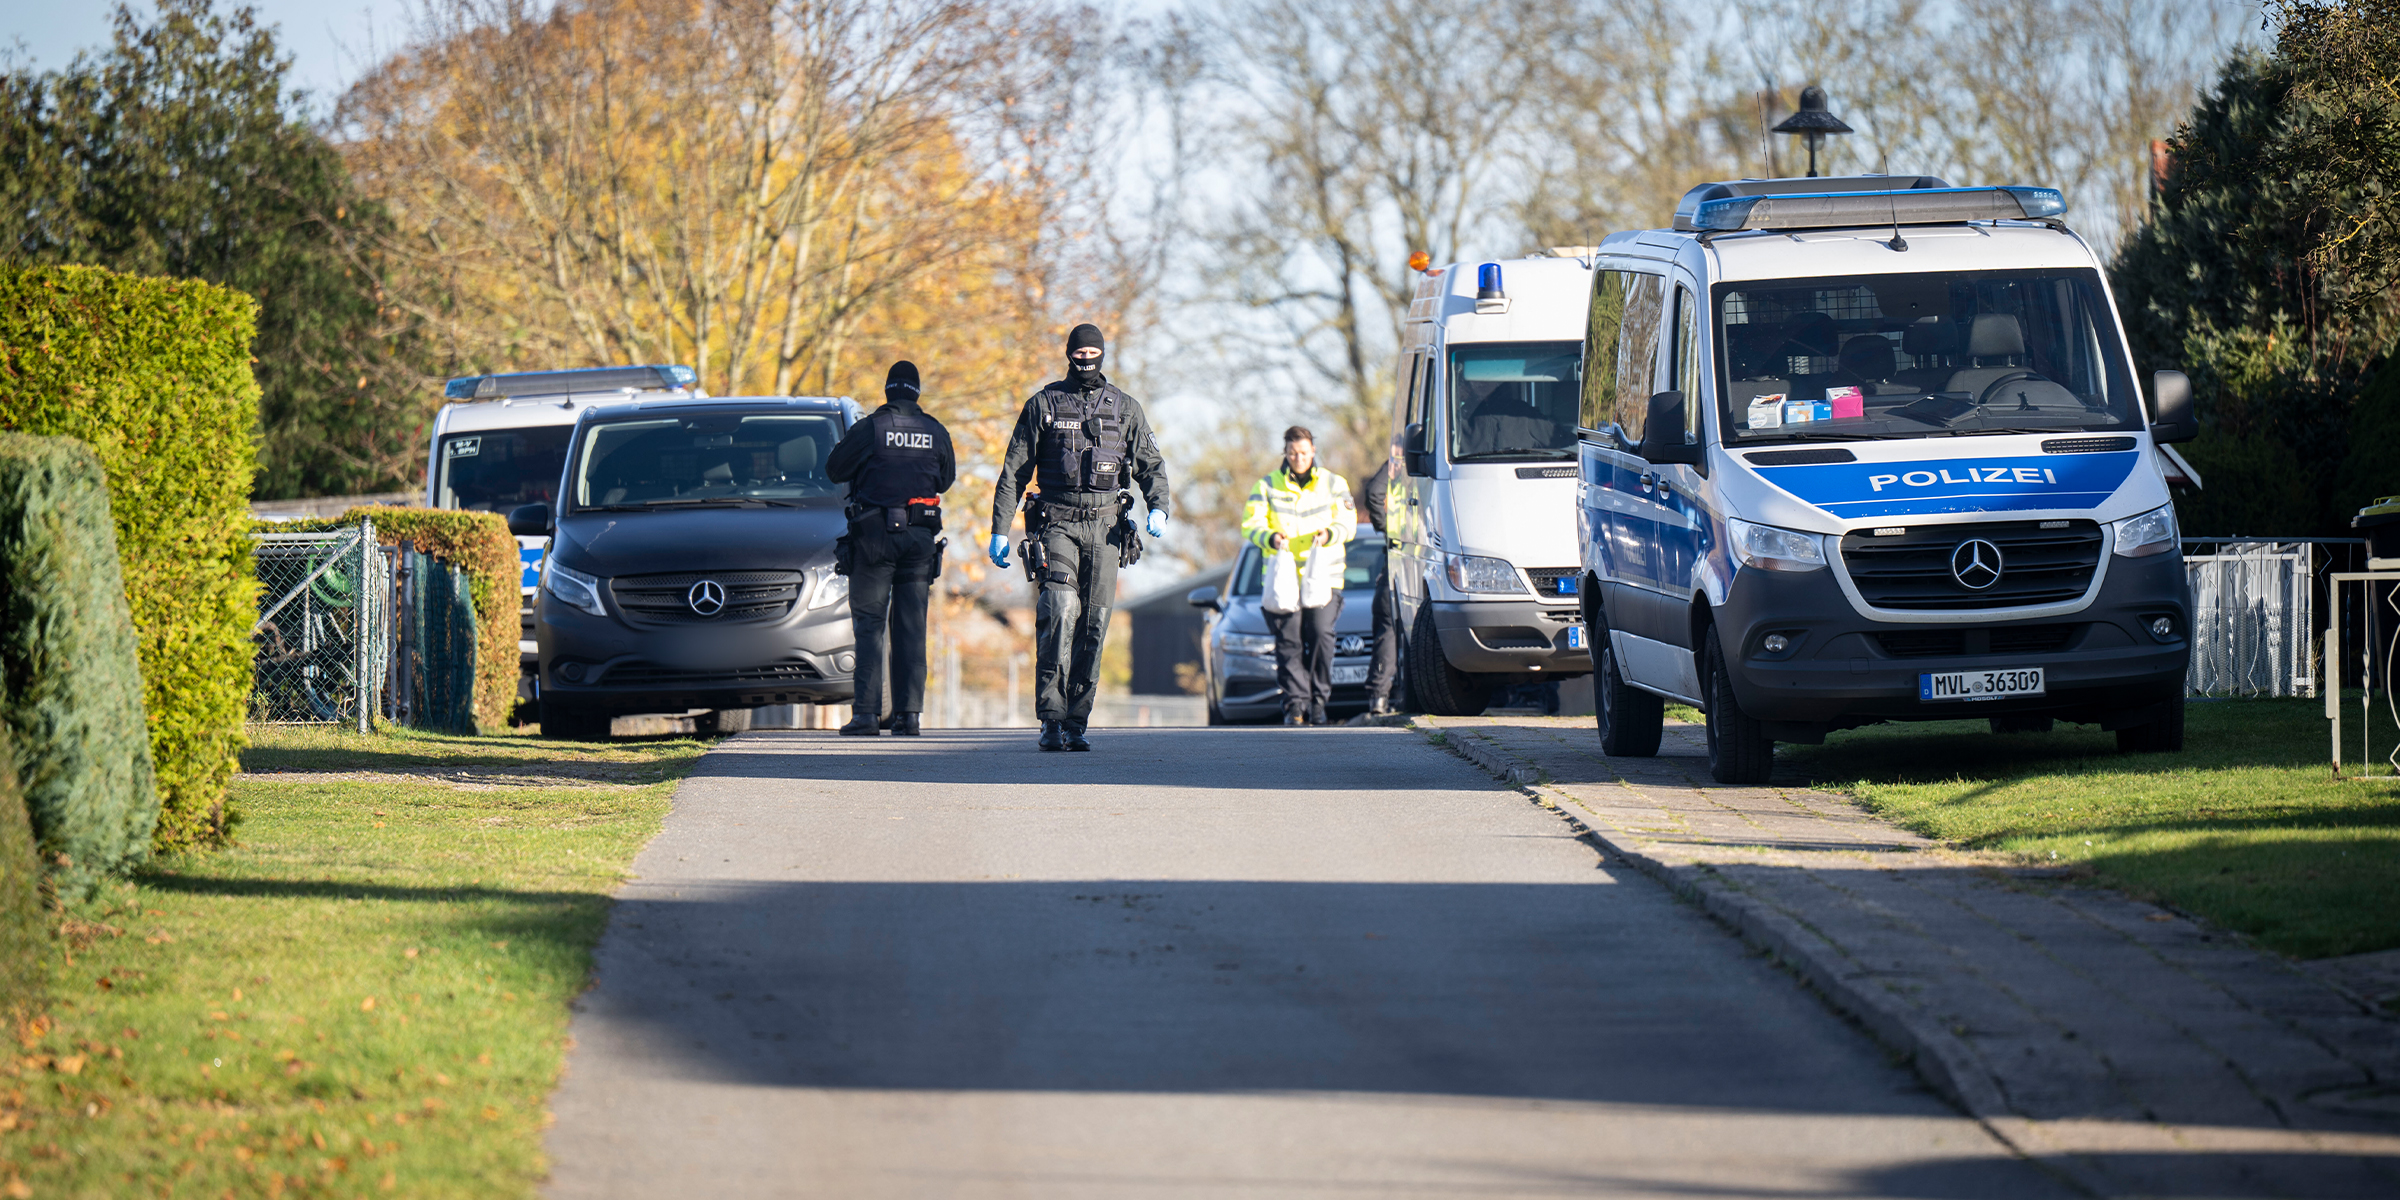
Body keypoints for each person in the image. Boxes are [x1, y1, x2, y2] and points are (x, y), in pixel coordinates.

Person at [988, 324, 1170, 751]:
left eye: (1093, 352)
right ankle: (1051, 718)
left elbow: (1151, 465)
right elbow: (1014, 472)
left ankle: (1076, 721)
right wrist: (999, 528)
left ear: (1102, 354)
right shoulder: (1044, 404)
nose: (1086, 359)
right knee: (1059, 608)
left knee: (1094, 623)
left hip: (1107, 529)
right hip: (1058, 522)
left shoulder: (1125, 408)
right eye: (1079, 352)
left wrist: (1158, 506)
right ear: (1069, 354)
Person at [826, 360, 955, 737]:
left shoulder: (870, 428)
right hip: (919, 540)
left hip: (874, 539)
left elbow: (835, 469)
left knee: (870, 626)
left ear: (887, 391)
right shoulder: (935, 431)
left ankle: (866, 716)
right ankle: (909, 716)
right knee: (911, 627)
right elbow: (945, 480)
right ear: (917, 392)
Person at [1241, 427, 1355, 725]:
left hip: (1324, 578)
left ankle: (1318, 703)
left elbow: (1348, 522)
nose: (1298, 458)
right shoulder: (1266, 486)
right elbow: (1250, 524)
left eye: (1303, 453)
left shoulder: (1334, 483)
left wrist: (1329, 534)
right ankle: (1295, 706)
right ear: (1285, 453)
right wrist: (1271, 537)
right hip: (1283, 580)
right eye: (1292, 453)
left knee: (1320, 635)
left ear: (1313, 451)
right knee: (1288, 642)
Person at [1356, 455, 1400, 719]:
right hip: (1417, 554)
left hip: (1396, 556)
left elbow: (1374, 491)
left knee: (1388, 630)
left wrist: (1388, 530)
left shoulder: (1401, 458)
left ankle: (1379, 698)